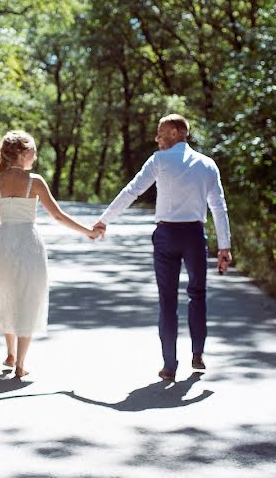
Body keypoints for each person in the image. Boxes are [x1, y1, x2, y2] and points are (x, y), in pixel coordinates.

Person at [93, 114, 232, 381]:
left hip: (167, 234)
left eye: (161, 133)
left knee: (167, 302)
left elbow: (132, 191)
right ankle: (198, 353)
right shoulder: (207, 164)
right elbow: (218, 207)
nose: (157, 138)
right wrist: (224, 247)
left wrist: (104, 220)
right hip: (194, 234)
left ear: (177, 132)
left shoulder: (159, 160)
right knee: (198, 295)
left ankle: (170, 366)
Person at [0, 130, 98, 379]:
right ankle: (20, 364)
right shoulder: (34, 181)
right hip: (28, 242)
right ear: (22, 153)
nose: (35, 157)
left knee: (6, 294)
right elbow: (58, 216)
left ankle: (10, 353)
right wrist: (87, 232)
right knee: (28, 298)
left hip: (3, 243)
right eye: (33, 152)